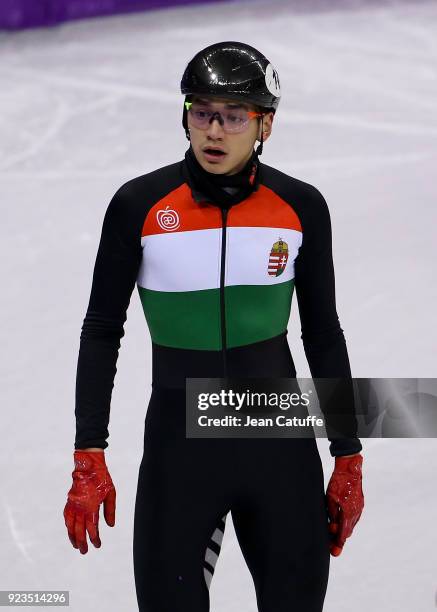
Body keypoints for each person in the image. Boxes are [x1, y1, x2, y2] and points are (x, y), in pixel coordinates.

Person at [63, 41, 365, 611]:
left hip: (279, 442)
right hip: (180, 451)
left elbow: (322, 334)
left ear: (265, 125)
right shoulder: (140, 206)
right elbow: (102, 329)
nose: (214, 131)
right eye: (201, 112)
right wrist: (88, 452)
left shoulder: (300, 207)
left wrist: (347, 453)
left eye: (232, 116)